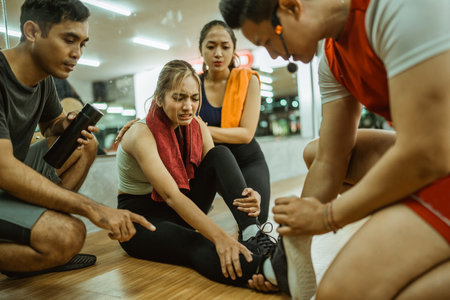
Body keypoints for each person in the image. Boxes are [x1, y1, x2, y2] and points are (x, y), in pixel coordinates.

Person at [219, 0, 450, 299]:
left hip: (435, 155)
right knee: (314, 154)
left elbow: (427, 152)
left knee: (339, 293)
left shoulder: (393, 9)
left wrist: (328, 216)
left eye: (269, 41)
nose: (275, 54)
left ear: (291, 6)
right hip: (435, 154)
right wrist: (294, 242)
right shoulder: (330, 59)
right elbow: (330, 159)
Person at [0, 0, 154, 279]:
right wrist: (93, 208)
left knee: (85, 145)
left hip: (7, 178)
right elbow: (4, 169)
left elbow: (50, 128)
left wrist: (64, 124)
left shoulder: (42, 79)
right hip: (4, 173)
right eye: (69, 40)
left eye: (83, 43)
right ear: (33, 32)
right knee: (68, 235)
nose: (77, 53)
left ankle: (34, 237)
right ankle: (34, 245)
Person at [116, 59, 292, 293]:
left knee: (220, 153)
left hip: (180, 202)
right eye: (179, 98)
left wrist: (250, 196)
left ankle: (253, 234)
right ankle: (269, 270)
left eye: (194, 98)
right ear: (159, 98)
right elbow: (171, 196)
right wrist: (220, 237)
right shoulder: (141, 134)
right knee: (197, 243)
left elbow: (218, 171)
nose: (188, 106)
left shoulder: (196, 125)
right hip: (142, 218)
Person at [198, 20, 272, 224]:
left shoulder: (249, 79)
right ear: (201, 50)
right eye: (211, 46)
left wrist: (203, 129)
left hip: (247, 158)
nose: (218, 53)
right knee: (189, 219)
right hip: (211, 162)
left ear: (233, 50)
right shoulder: (193, 84)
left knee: (257, 215)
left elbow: (246, 133)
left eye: (225, 46)